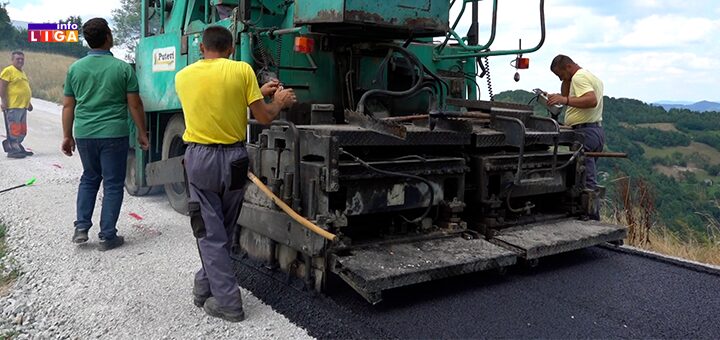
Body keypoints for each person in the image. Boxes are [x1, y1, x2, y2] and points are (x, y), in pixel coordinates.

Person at [174, 25, 296, 322]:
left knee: (209, 232)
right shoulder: (243, 71)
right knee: (222, 232)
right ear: (231, 49)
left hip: (200, 160)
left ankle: (228, 303)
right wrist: (277, 101)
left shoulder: (183, 76)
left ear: (201, 48)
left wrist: (255, 93)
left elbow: (213, 102)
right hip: (235, 161)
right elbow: (264, 116)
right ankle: (207, 288)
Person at [61, 18, 149, 251]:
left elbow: (68, 106)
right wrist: (142, 132)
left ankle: (81, 228)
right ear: (108, 36)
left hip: (85, 134)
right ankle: (107, 236)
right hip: (113, 134)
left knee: (89, 178)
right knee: (112, 183)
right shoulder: (121, 69)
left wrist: (67, 136)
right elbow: (135, 105)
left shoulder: (75, 69)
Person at [547, 54, 605, 220]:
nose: (560, 78)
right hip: (595, 131)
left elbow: (591, 100)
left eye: (560, 75)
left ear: (568, 67)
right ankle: (588, 215)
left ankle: (593, 219)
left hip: (585, 133)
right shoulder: (589, 76)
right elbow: (568, 94)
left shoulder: (579, 77)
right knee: (585, 175)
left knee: (586, 179)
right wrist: (565, 84)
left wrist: (563, 99)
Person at [1, 51, 34, 159]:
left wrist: (28, 103)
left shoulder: (21, 72)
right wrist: (4, 102)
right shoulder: (8, 71)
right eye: (17, 59)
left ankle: (18, 146)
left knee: (22, 129)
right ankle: (13, 150)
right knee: (14, 129)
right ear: (12, 60)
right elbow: (2, 87)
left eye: (22, 59)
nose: (20, 60)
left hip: (22, 106)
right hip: (13, 106)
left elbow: (23, 89)